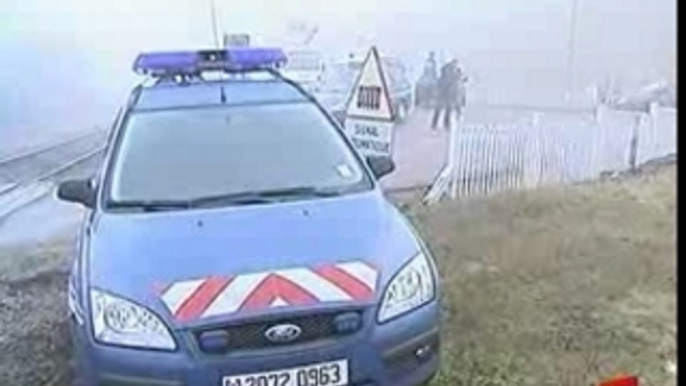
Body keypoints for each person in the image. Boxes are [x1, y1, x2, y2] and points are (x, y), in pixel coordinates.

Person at [431, 59, 464, 130]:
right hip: (446, 93)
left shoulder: (450, 73)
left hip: (446, 93)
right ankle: (442, 124)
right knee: (443, 109)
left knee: (444, 110)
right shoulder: (451, 74)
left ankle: (441, 124)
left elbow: (459, 77)